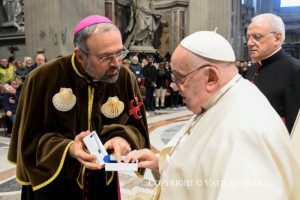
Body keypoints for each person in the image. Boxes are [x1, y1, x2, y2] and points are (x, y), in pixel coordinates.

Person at [125, 31, 300, 199]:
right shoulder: (222, 99)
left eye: (180, 78)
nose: (175, 86)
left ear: (211, 78)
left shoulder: (245, 132)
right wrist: (159, 163)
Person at [7, 15, 150, 200]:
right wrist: (69, 149)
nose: (116, 63)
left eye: (120, 53)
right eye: (106, 57)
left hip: (101, 181)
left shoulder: (125, 78)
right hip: (53, 184)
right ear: (80, 55)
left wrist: (122, 138)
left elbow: (136, 127)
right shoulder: (42, 78)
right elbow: (28, 141)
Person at [245, 13, 300, 133]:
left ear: (277, 38)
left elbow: (294, 124)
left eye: (257, 37)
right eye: (248, 37)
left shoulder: (295, 70)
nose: (249, 43)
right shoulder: (253, 68)